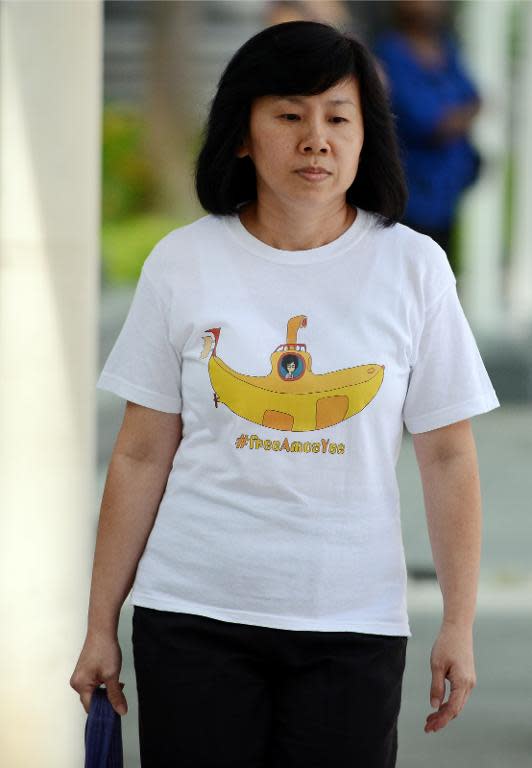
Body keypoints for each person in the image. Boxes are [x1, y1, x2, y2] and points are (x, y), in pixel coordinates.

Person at [70, 20, 500, 768]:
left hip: (353, 621)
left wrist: (458, 624)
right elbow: (140, 453)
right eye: (290, 115)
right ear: (243, 135)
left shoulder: (415, 268)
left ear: (366, 137)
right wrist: (101, 621)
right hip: (193, 613)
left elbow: (448, 458)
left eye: (339, 117)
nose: (317, 138)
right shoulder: (183, 262)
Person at [373, 0, 483, 275]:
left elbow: (476, 97)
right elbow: (429, 122)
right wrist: (456, 116)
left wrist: (456, 116)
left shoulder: (445, 47)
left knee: (438, 274)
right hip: (408, 195)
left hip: (446, 193)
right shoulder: (390, 52)